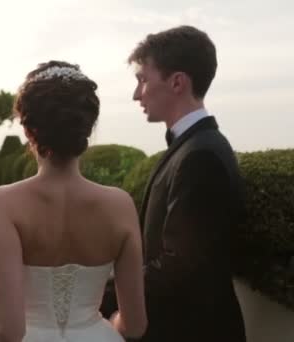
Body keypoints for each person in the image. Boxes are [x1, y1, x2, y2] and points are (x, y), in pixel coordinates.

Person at [0, 61, 147, 342]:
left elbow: (8, 331)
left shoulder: (4, 203)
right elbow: (135, 326)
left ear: (28, 129)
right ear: (87, 126)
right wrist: (107, 326)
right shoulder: (120, 205)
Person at [101, 25, 247, 341]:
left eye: (142, 80)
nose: (136, 94)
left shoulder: (201, 156)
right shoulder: (192, 148)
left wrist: (119, 308)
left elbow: (178, 265)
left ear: (177, 82)